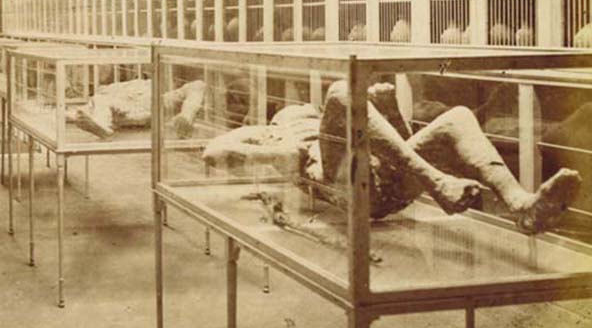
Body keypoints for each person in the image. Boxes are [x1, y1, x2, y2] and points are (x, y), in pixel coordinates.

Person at [201, 80, 581, 234]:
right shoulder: (272, 131)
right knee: (341, 90)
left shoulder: (335, 119)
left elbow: (396, 147)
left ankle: (522, 206)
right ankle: (436, 181)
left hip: (386, 183)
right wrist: (280, 151)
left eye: (306, 109)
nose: (301, 107)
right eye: (297, 109)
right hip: (341, 185)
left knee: (458, 117)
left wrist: (388, 110)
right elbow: (213, 151)